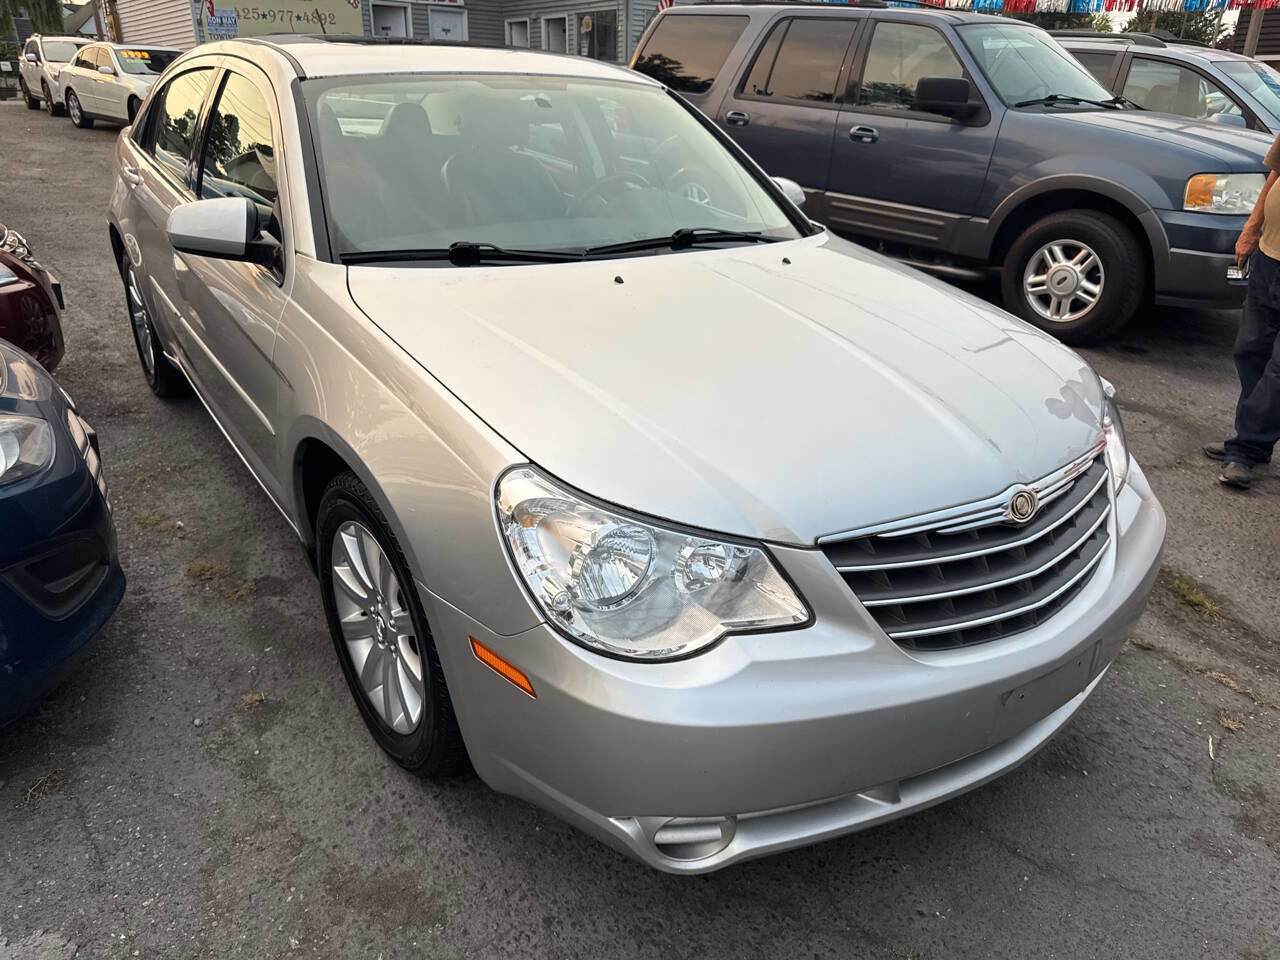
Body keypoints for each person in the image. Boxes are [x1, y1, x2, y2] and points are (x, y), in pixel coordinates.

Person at [1206, 145, 1280, 489]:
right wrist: (1252, 228)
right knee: (1250, 348)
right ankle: (1257, 439)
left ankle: (1246, 448)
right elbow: (1275, 173)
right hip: (1270, 253)